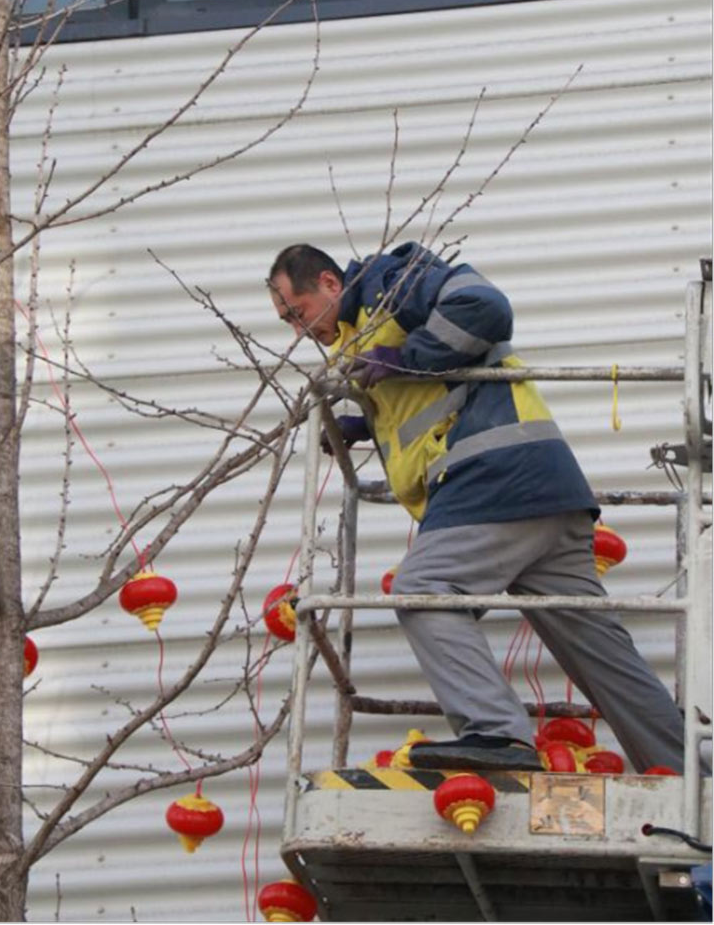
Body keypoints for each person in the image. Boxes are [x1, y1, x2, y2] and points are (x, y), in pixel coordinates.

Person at [268, 240, 687, 773]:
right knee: (601, 655)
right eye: (287, 321)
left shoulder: (386, 284)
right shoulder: (361, 335)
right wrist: (362, 425)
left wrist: (405, 359)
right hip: (544, 490)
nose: (298, 330)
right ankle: (692, 775)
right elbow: (434, 397)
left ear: (330, 283)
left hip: (495, 477)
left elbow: (483, 306)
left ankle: (497, 732)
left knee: (422, 589)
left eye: (298, 312)